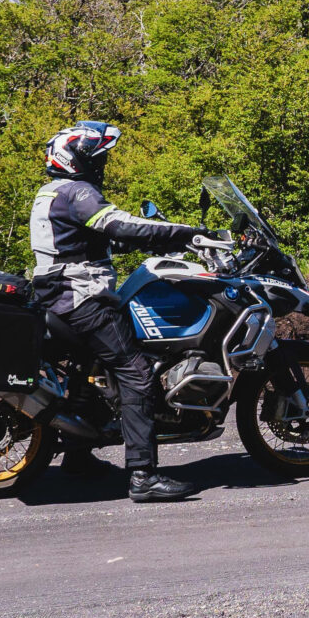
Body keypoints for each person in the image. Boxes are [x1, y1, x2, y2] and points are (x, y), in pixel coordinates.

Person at [30, 120, 205, 503]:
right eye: (97, 158)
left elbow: (90, 239)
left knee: (92, 365)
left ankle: (77, 456)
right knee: (136, 371)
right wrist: (186, 232)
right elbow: (121, 225)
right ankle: (143, 475)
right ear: (76, 160)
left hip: (58, 295)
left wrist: (152, 242)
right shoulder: (78, 192)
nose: (102, 165)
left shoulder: (51, 191)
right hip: (80, 298)